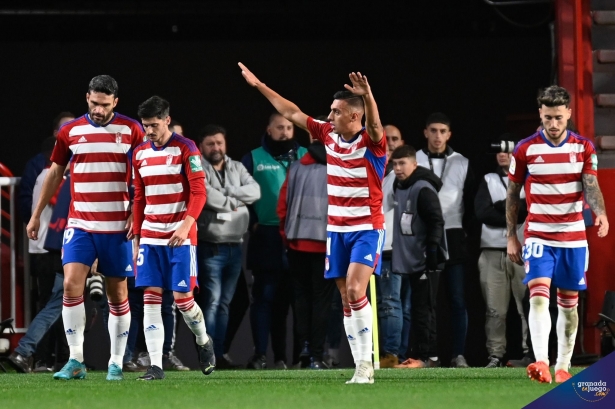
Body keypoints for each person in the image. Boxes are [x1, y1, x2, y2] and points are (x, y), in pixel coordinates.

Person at [239, 63, 386, 384]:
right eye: (330, 111)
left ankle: (364, 365)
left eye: (336, 112)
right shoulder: (327, 135)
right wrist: (260, 84)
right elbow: (291, 112)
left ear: (354, 116)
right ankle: (364, 364)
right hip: (336, 229)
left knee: (355, 288)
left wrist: (369, 95)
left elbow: (375, 125)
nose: (329, 116)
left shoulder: (372, 143)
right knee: (346, 297)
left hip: (366, 227)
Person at [26, 75, 144, 381]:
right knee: (69, 286)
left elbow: (146, 171)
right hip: (80, 223)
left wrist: (136, 209)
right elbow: (55, 173)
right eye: (94, 103)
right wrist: (36, 214)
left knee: (117, 293)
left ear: (115, 102)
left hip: (117, 225)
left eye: (105, 105)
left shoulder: (132, 129)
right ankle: (75, 359)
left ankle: (116, 362)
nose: (98, 110)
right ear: (87, 98)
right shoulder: (71, 130)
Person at [506, 85, 609, 384]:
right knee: (538, 295)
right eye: (548, 118)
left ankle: (563, 366)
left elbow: (591, 185)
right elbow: (513, 195)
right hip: (538, 234)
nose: (553, 125)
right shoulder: (525, 148)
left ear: (568, 114)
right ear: (540, 113)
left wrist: (600, 213)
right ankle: (541, 362)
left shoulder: (583, 147)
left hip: (573, 236)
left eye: (558, 118)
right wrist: (512, 235)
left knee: (569, 301)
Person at [130, 96, 214, 381]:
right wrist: (138, 237)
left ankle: (203, 340)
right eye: (145, 126)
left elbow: (200, 193)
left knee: (182, 301)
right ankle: (156, 365)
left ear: (167, 120)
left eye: (154, 125)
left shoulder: (186, 148)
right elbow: (139, 197)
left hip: (180, 236)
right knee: (151, 298)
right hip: (151, 238)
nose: (149, 131)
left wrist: (185, 225)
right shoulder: (139, 153)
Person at [240, 112, 306, 370]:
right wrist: (252, 220)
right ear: (269, 129)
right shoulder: (253, 158)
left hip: (300, 236)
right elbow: (240, 193)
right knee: (265, 299)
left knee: (298, 301)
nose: (285, 132)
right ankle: (263, 354)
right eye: (279, 127)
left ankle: (302, 356)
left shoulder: (305, 156)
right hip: (266, 236)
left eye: (289, 127)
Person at [196, 124, 261, 368]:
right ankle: (207, 355)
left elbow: (254, 191)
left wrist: (226, 192)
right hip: (210, 245)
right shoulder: (198, 166)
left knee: (224, 304)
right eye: (211, 143)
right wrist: (233, 202)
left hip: (235, 245)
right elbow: (204, 194)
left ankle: (219, 354)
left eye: (219, 143)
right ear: (201, 146)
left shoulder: (237, 166)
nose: (216, 148)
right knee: (211, 303)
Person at [416, 112, 474, 368]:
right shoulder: (414, 159)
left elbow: (471, 202)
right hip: (423, 235)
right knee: (426, 300)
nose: (438, 136)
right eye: (433, 130)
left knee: (457, 299)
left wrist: (466, 233)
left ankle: (458, 353)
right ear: (425, 132)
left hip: (453, 234)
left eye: (443, 131)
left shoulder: (462, 162)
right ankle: (428, 355)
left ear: (449, 134)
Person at [277, 136, 334, 369]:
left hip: (297, 243)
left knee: (302, 299)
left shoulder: (297, 168)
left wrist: (286, 237)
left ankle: (306, 349)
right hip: (325, 244)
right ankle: (317, 356)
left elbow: (282, 207)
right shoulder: (338, 168)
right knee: (322, 301)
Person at [386, 145, 445, 369]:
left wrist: (431, 251)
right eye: (395, 164)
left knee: (424, 308)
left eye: (403, 163)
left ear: (414, 164)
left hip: (425, 259)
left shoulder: (423, 189)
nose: (398, 168)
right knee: (416, 307)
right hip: (411, 258)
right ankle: (419, 354)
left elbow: (436, 221)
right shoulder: (399, 185)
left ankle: (429, 357)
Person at [475, 136, 529, 368]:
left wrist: (501, 206)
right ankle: (495, 355)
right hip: (492, 251)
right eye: (499, 151)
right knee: (495, 309)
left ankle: (531, 353)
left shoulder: (529, 180)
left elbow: (529, 211)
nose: (503, 154)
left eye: (508, 150)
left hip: (523, 250)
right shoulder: (488, 179)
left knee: (528, 306)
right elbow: (482, 212)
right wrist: (512, 214)